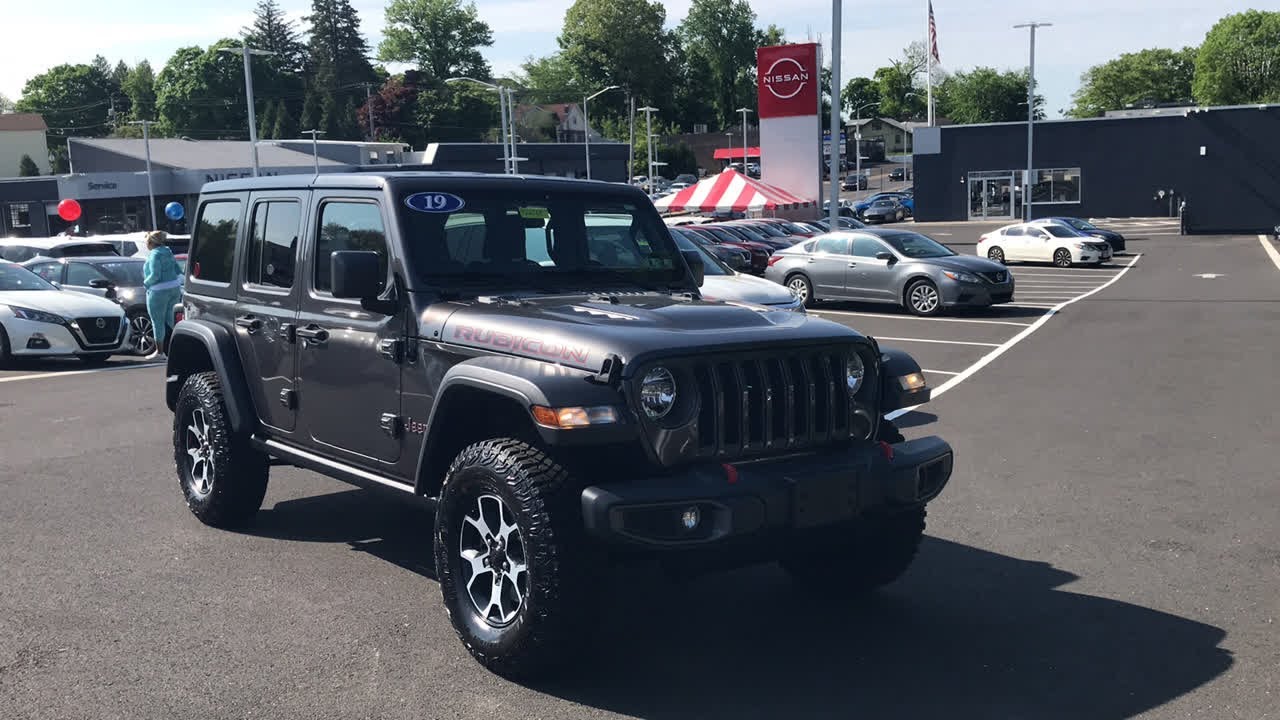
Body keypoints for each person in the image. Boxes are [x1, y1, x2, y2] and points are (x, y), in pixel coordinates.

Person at [142, 231, 183, 357]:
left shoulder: (155, 255)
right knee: (172, 320)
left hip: (158, 290)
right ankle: (180, 348)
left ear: (150, 243)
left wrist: (146, 283)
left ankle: (159, 352)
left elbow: (155, 275)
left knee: (157, 321)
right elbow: (178, 270)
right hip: (174, 288)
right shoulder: (168, 252)